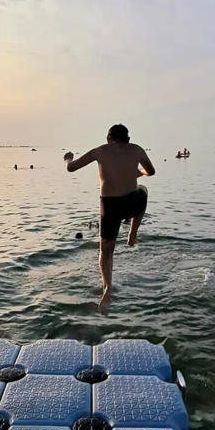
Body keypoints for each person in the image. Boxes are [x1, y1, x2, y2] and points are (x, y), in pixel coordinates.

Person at [64, 124, 156, 306]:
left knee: (106, 252)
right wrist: (140, 173)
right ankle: (132, 233)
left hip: (109, 206)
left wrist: (68, 159)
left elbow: (71, 168)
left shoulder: (99, 151)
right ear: (128, 139)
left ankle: (107, 288)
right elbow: (151, 171)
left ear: (108, 139)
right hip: (131, 202)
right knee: (143, 190)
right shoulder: (136, 149)